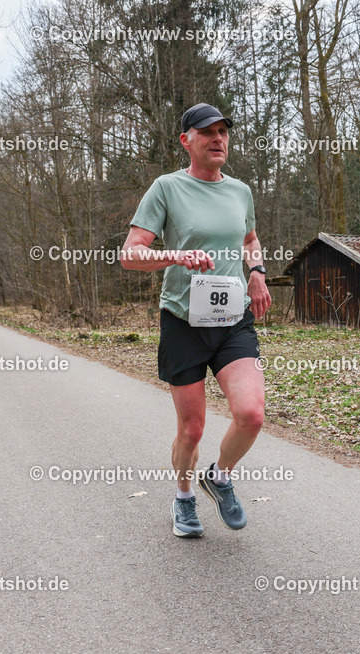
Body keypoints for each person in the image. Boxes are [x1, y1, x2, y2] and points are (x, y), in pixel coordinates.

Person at [121, 103, 272, 539]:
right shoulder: (166, 188)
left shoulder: (240, 191)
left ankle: (219, 477)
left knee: (252, 414)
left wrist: (257, 272)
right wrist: (176, 255)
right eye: (207, 132)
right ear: (186, 140)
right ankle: (184, 497)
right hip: (183, 322)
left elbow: (250, 238)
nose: (218, 138)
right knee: (192, 428)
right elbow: (131, 254)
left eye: (224, 131)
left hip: (232, 321)